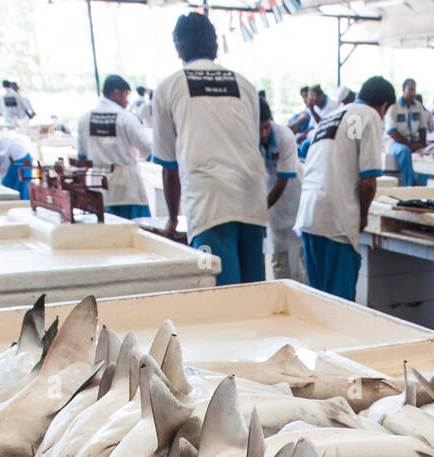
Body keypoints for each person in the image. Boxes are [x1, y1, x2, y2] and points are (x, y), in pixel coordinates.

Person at [153, 12, 267, 286]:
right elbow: (251, 141)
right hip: (252, 197)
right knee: (254, 295)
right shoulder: (245, 85)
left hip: (209, 203)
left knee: (218, 293)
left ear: (178, 49)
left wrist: (171, 220)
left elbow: (170, 168)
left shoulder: (169, 87)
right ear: (216, 46)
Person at [295, 74, 393, 302]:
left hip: (310, 218)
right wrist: (362, 217)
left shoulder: (332, 116)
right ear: (383, 106)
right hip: (336, 224)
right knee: (340, 308)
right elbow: (369, 181)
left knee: (320, 304)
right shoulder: (369, 115)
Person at [78, 73, 153, 220]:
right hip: (126, 188)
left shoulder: (84, 119)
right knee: (135, 233)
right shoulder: (125, 118)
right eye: (125, 95)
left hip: (97, 186)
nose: (127, 101)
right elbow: (148, 147)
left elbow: (82, 157)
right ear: (116, 92)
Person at [259, 98, 305, 282]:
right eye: (259, 129)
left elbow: (283, 181)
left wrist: (260, 210)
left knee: (303, 257)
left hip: (294, 195)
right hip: (270, 201)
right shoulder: (246, 138)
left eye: (266, 127)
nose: (263, 133)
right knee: (279, 258)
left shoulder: (284, 135)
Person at [385, 78, 429, 186]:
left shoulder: (418, 106)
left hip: (413, 141)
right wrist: (410, 145)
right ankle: (410, 184)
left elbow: (423, 128)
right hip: (395, 143)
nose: (413, 92)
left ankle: (422, 184)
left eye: (414, 89)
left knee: (427, 152)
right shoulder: (394, 107)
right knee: (404, 151)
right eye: (410, 89)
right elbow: (392, 132)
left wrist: (422, 145)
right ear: (403, 89)